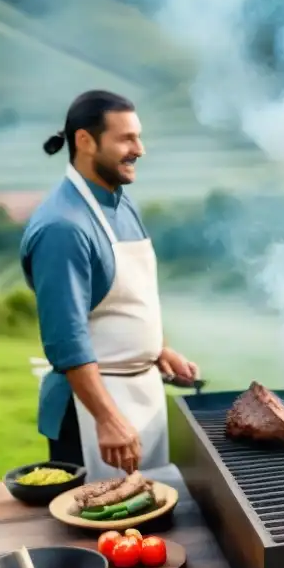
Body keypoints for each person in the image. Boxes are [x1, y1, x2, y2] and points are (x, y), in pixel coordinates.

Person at [20, 90, 198, 479]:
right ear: (85, 141)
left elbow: (120, 300)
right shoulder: (62, 227)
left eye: (139, 137)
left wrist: (156, 349)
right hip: (92, 412)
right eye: (127, 138)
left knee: (147, 522)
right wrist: (106, 418)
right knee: (103, 529)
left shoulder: (118, 201)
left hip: (140, 396)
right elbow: (65, 339)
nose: (140, 149)